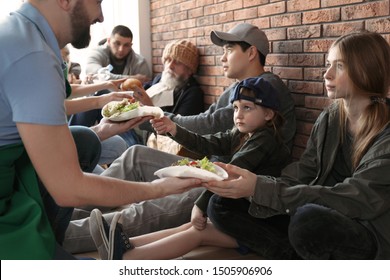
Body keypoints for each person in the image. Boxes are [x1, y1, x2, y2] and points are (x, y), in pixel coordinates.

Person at [63, 22, 297, 254]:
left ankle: (63, 235)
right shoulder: (236, 90)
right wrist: (162, 121)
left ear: (251, 53)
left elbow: (210, 125)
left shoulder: (264, 90)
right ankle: (64, 211)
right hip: (207, 167)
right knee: (135, 155)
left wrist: (157, 114)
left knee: (146, 208)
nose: (222, 57)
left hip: (225, 187)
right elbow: (212, 129)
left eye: (229, 49)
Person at [0, 0, 200, 260]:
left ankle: (57, 235)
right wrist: (161, 188)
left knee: (85, 138)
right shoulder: (33, 55)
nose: (101, 16)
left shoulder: (22, 33)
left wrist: (101, 112)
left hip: (16, 173)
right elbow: (68, 188)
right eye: (97, 2)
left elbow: (46, 106)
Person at [202, 31, 390, 259]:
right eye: (328, 64)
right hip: (317, 207)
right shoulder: (331, 117)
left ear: (365, 70)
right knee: (222, 204)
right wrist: (258, 187)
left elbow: (356, 198)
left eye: (339, 66)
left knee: (307, 222)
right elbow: (306, 170)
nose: (327, 74)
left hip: (365, 231)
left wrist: (261, 190)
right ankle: (290, 256)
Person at [89, 76, 291, 259]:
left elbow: (232, 171)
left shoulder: (265, 139)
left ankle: (126, 259)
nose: (238, 114)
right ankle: (124, 245)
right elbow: (207, 143)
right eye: (236, 107)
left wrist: (200, 205)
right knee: (189, 226)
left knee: (198, 232)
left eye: (247, 108)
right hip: (238, 211)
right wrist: (174, 129)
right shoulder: (244, 133)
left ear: (268, 114)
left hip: (258, 225)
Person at [122, 39, 205, 147]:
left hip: (152, 142)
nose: (170, 66)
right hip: (135, 129)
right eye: (168, 60)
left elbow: (180, 131)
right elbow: (140, 92)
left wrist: (149, 106)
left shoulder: (192, 93)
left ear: (189, 70)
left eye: (177, 62)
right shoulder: (159, 79)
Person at [85, 24, 152, 84]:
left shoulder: (140, 62)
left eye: (126, 45)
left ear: (131, 45)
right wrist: (132, 79)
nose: (121, 49)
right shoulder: (96, 53)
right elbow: (98, 76)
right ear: (109, 41)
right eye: (117, 43)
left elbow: (146, 88)